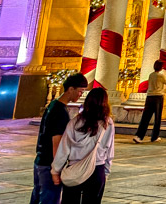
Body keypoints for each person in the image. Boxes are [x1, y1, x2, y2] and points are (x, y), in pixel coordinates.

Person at [51, 86, 114, 204]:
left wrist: (56, 170)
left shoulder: (75, 122)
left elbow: (64, 149)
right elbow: (109, 150)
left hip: (74, 169)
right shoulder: (108, 123)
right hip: (96, 169)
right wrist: (106, 172)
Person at [32, 72, 88, 204]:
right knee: (49, 198)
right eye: (80, 91)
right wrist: (56, 169)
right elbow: (56, 142)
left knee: (38, 197)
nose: (80, 95)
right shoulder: (60, 112)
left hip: (41, 160)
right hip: (48, 163)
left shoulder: (53, 105)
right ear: (70, 89)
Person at [133, 60, 166, 143]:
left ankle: (139, 136)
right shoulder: (161, 76)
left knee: (145, 117)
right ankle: (154, 137)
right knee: (157, 118)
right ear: (161, 67)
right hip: (158, 97)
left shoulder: (151, 75)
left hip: (149, 97)